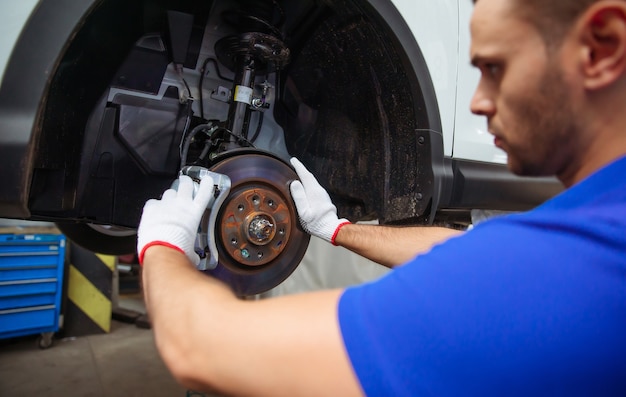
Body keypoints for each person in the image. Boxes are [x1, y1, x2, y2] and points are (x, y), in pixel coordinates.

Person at [137, 0, 626, 395]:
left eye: (495, 68)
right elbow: (470, 249)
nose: (479, 100)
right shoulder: (593, 231)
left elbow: (202, 351)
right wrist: (339, 230)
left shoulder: (558, 273)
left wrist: (162, 247)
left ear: (600, 48)